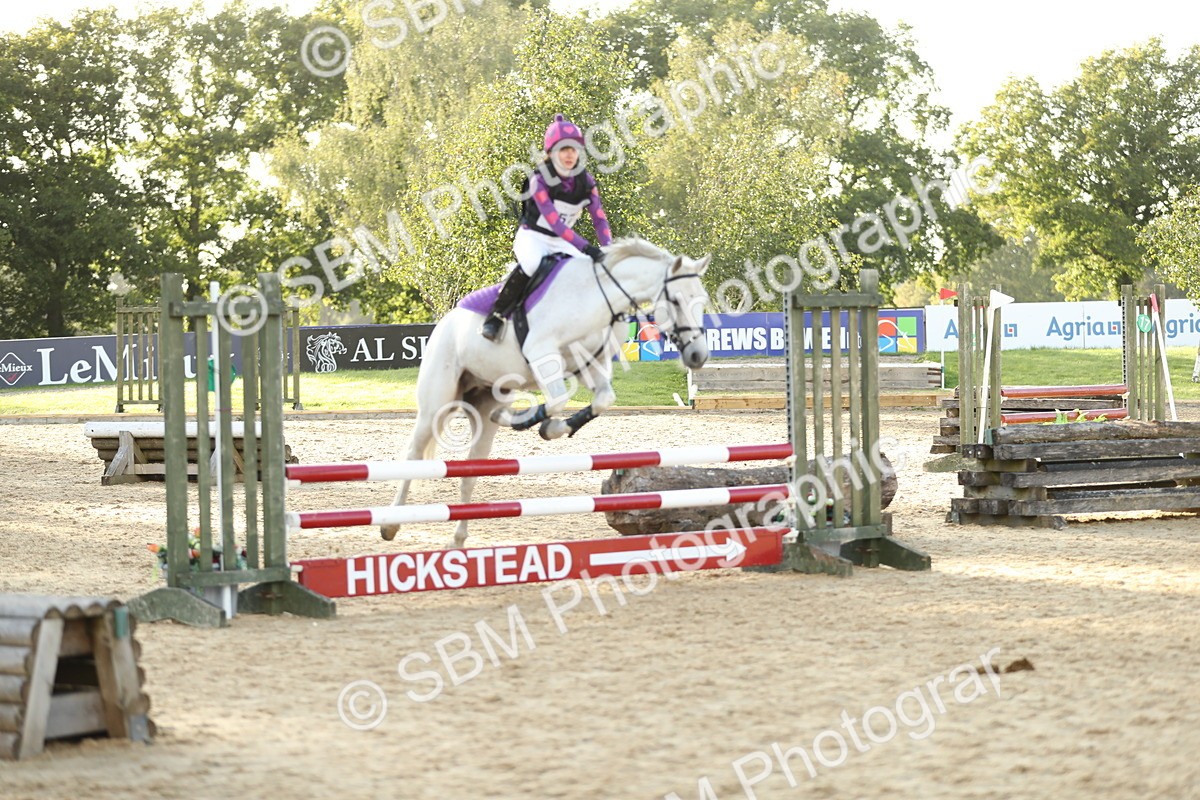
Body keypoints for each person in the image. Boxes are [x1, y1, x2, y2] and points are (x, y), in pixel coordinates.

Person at [480, 113, 613, 342]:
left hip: (563, 241)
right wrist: (588, 248)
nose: (570, 154)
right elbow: (555, 224)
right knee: (533, 264)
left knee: (586, 272)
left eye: (573, 149)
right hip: (534, 237)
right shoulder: (539, 180)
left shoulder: (587, 181)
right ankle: (497, 315)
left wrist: (609, 248)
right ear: (551, 153)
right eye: (563, 149)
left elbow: (599, 219)